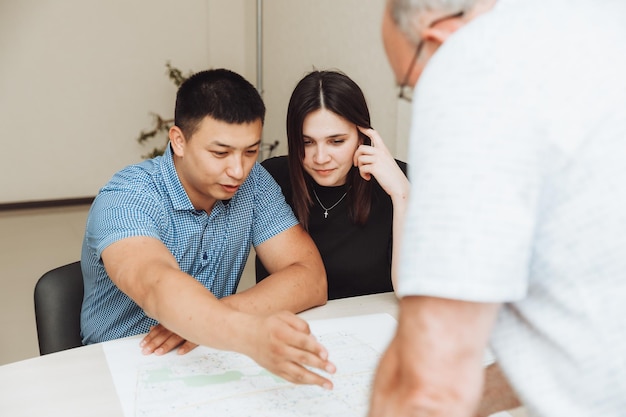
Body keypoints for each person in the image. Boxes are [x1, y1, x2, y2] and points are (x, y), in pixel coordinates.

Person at [369, 0, 626, 416]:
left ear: (439, 39)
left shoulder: (474, 66)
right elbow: (577, 327)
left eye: (411, 86)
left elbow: (428, 381)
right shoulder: (598, 24)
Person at [80, 68, 337, 389]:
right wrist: (247, 333)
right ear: (179, 141)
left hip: (202, 354)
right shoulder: (127, 197)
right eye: (220, 152)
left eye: (251, 151)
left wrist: (205, 319)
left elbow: (311, 278)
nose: (238, 170)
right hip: (119, 367)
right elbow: (157, 286)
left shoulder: (254, 184)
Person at [256, 70, 409, 299]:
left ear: (362, 136)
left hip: (368, 329)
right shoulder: (271, 179)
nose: (320, 157)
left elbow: (411, 293)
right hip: (288, 326)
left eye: (336, 141)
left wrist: (402, 193)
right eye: (306, 142)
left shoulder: (398, 180)